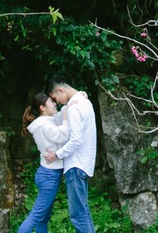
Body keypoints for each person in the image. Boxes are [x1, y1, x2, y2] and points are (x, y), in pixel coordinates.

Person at [43, 79, 97, 233]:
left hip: (75, 164)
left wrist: (56, 155)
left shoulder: (75, 107)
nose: (57, 102)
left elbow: (76, 140)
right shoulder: (84, 102)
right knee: (83, 212)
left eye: (55, 98)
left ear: (60, 90)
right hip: (83, 164)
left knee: (78, 215)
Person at [17, 92, 69, 233]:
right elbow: (62, 135)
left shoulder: (46, 121)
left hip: (46, 174)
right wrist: (65, 120)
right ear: (42, 108)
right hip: (49, 177)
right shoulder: (44, 125)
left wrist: (78, 96)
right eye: (51, 102)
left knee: (42, 218)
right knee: (36, 216)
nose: (55, 103)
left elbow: (62, 111)